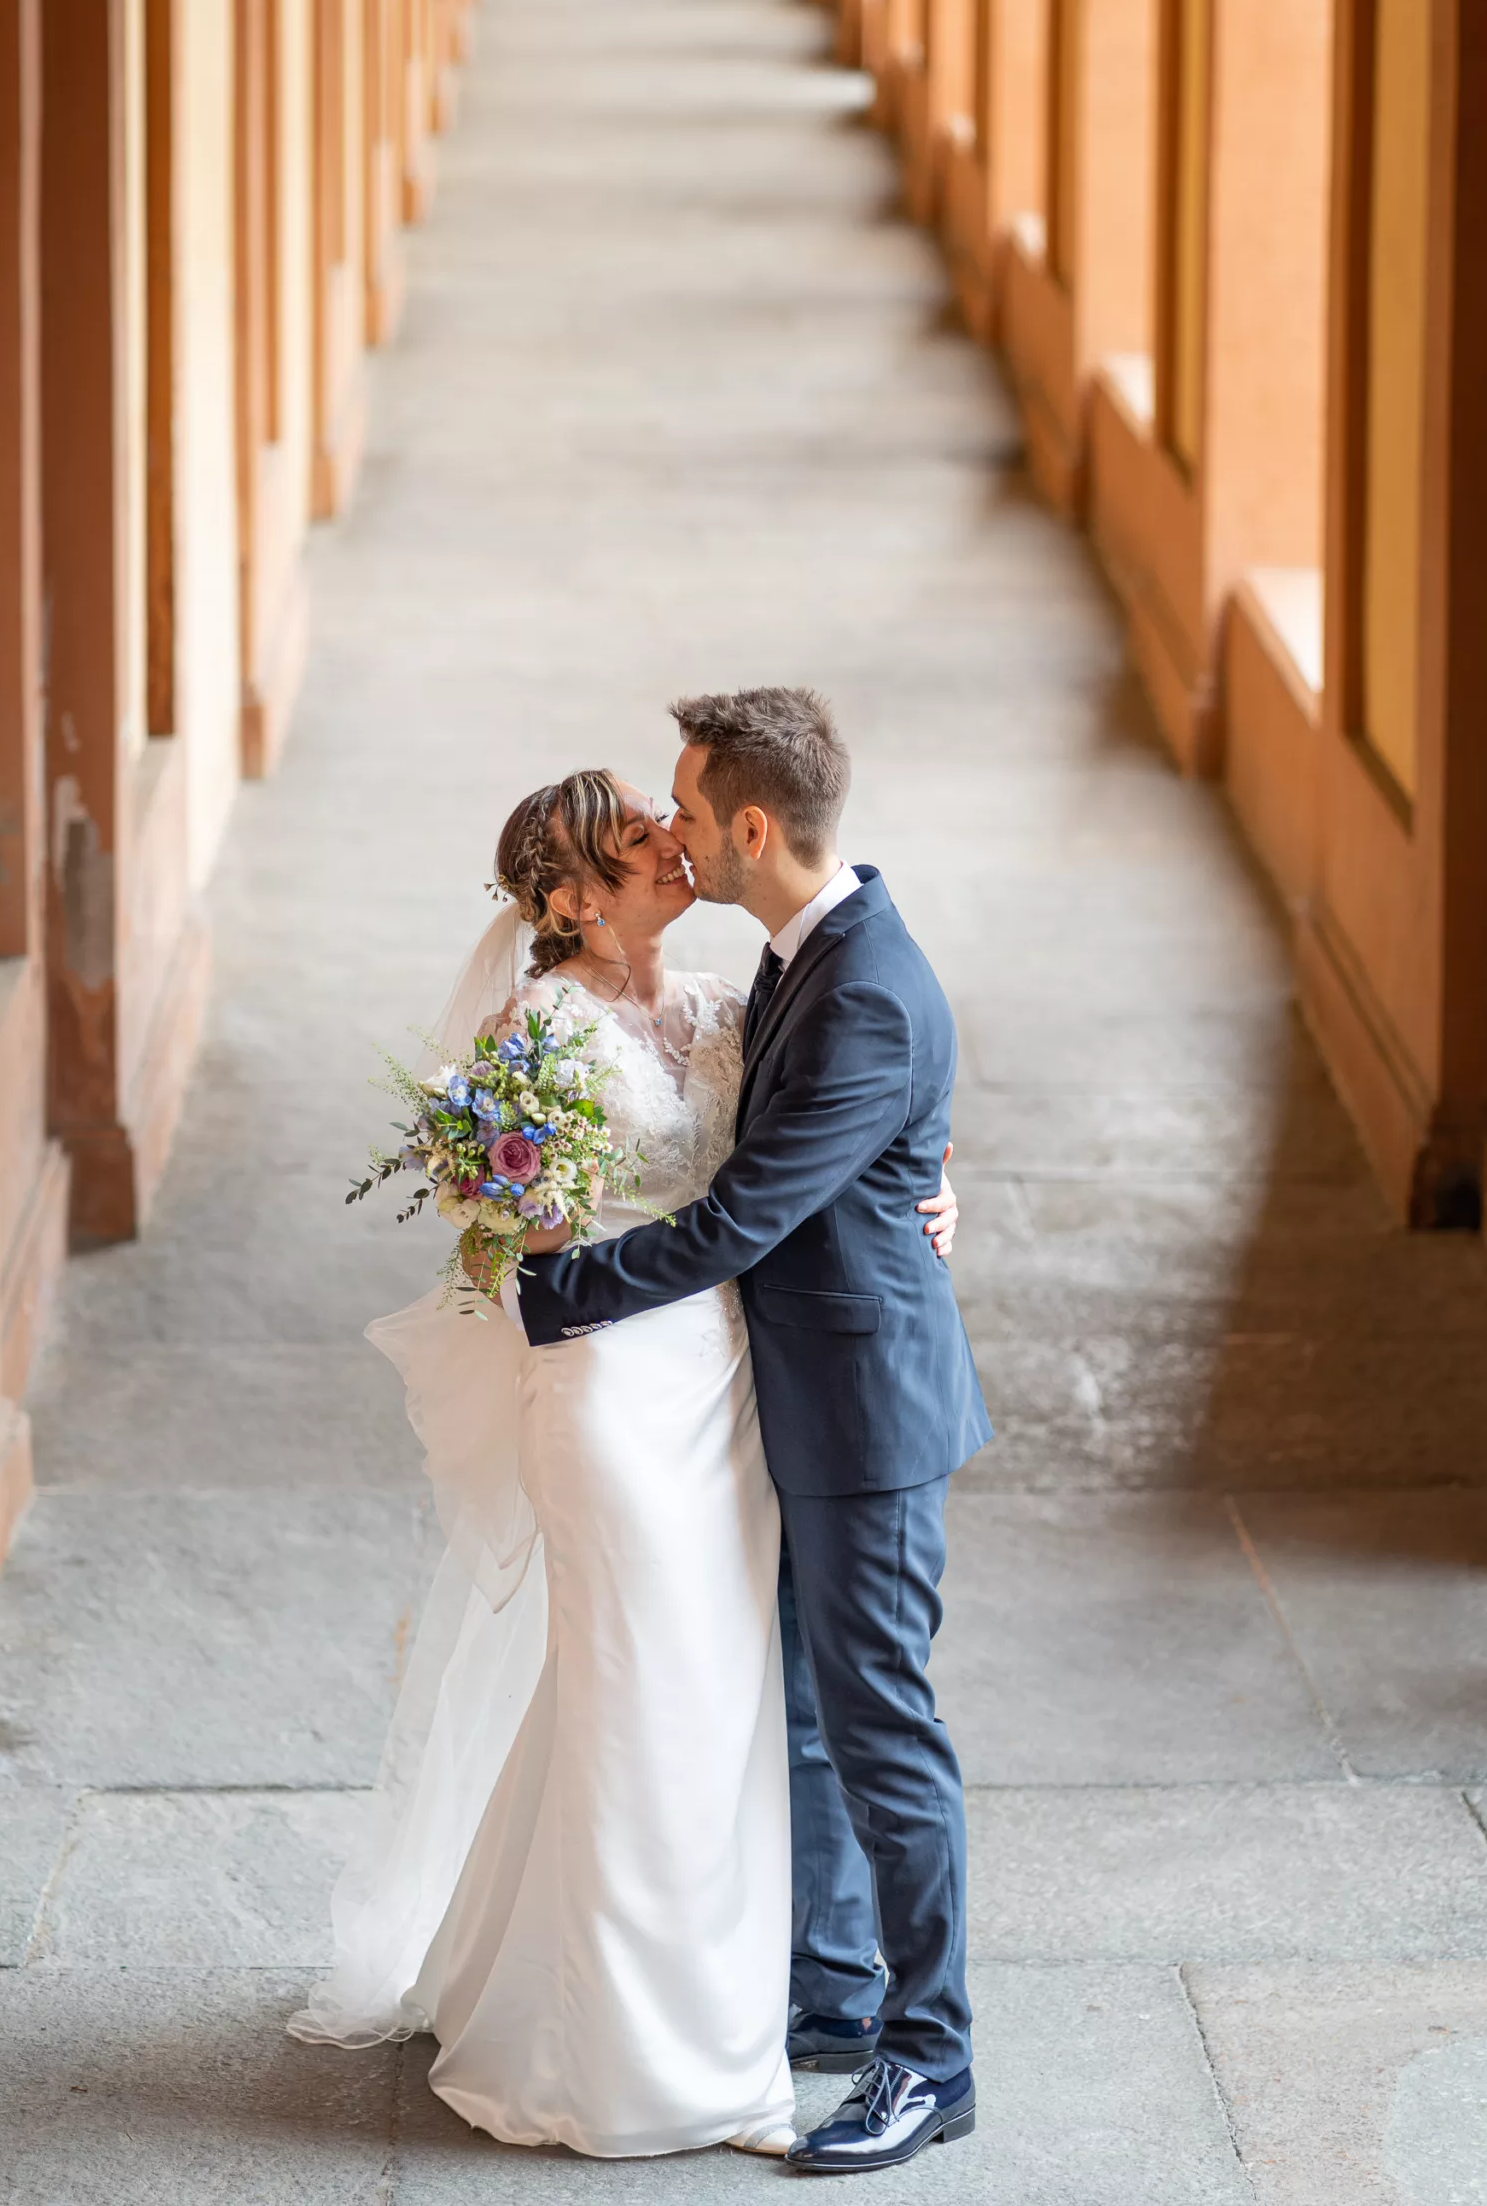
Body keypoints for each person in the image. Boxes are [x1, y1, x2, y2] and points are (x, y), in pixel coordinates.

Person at [290, 757, 963, 2164]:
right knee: (643, 1690)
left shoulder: (733, 1000)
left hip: (732, 1383)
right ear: (568, 903)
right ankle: (630, 2047)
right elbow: (519, 1228)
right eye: (632, 840)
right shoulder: (531, 1036)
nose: (668, 845)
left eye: (670, 823)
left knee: (732, 1695)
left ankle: (760, 1999)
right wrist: (551, 1277)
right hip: (609, 1387)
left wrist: (928, 1172)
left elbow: (841, 1105)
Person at [516, 688, 992, 2173]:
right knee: (802, 1706)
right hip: (771, 1391)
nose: (671, 831)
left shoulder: (860, 985)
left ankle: (930, 2059)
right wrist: (922, 1163)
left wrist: (566, 1292)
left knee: (881, 1728)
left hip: (861, 1411)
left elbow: (742, 1214)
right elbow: (840, 1134)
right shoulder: (805, 951)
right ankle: (834, 1992)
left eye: (685, 808)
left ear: (752, 825)